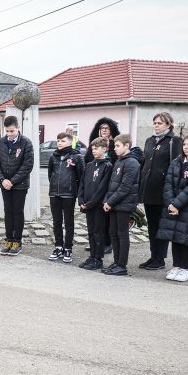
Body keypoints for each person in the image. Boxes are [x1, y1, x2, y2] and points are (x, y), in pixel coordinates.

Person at [138, 112, 184, 271]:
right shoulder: (149, 141)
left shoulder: (174, 141)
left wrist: (172, 190)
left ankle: (160, 259)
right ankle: (153, 256)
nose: (156, 125)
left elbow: (177, 166)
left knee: (161, 226)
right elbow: (145, 164)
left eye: (160, 123)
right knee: (152, 226)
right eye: (155, 123)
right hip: (148, 190)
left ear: (168, 125)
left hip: (163, 190)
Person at [156, 134, 188, 283]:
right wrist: (171, 203)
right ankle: (176, 266)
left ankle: (185, 268)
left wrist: (177, 204)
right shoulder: (176, 162)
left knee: (185, 238)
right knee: (174, 237)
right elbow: (168, 184)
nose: (186, 147)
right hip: (172, 206)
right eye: (184, 144)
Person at [0, 115, 34, 256]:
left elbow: (27, 165)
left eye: (12, 131)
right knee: (8, 212)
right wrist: (2, 180)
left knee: (17, 212)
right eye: (7, 131)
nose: (9, 134)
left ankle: (17, 242)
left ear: (18, 128)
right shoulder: (1, 142)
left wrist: (12, 181)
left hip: (20, 185)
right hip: (4, 184)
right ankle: (9, 240)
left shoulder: (26, 143)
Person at [101, 134, 141, 276]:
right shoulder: (119, 161)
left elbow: (125, 187)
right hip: (114, 204)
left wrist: (110, 202)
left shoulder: (132, 163)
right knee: (113, 233)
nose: (115, 149)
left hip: (124, 204)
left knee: (122, 234)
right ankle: (116, 262)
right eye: (114, 146)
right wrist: (107, 200)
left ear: (127, 146)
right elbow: (112, 184)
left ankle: (122, 265)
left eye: (118, 146)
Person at [47, 132, 84, 263]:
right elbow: (50, 174)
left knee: (69, 222)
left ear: (70, 142)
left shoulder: (77, 157)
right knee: (56, 221)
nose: (59, 143)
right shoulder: (53, 156)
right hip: (54, 194)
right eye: (58, 141)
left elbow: (81, 176)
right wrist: (53, 187)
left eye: (62, 141)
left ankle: (68, 248)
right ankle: (58, 246)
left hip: (69, 194)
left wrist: (76, 191)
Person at [84, 117, 120, 254]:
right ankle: (95, 242)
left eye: (107, 128)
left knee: (106, 218)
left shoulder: (115, 145)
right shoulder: (94, 145)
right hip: (94, 185)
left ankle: (107, 243)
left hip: (109, 185)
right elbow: (87, 162)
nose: (104, 130)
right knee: (94, 220)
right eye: (101, 128)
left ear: (112, 130)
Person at [77, 137, 113, 271]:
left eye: (96, 148)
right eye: (92, 148)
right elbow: (82, 184)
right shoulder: (89, 165)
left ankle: (98, 259)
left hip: (97, 206)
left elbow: (102, 188)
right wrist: (81, 200)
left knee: (98, 232)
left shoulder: (107, 166)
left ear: (104, 149)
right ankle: (92, 256)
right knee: (91, 231)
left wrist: (91, 203)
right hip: (87, 204)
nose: (94, 151)